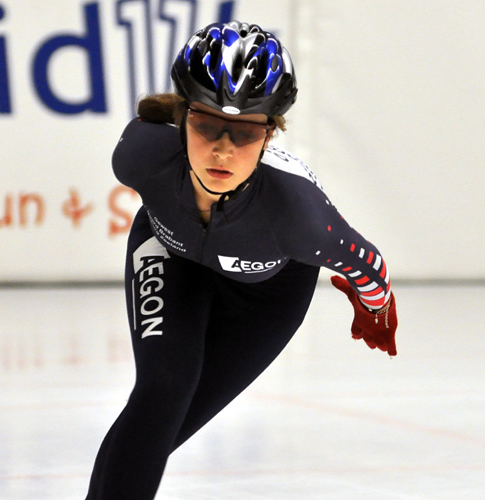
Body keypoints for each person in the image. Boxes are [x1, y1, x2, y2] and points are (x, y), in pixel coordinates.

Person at [85, 20, 398, 500]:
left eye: (246, 134)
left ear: (269, 136)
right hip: (172, 252)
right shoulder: (139, 155)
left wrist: (375, 306)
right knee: (161, 392)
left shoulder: (299, 217)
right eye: (207, 125)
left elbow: (368, 263)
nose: (223, 149)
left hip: (268, 293)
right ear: (183, 117)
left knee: (169, 422)